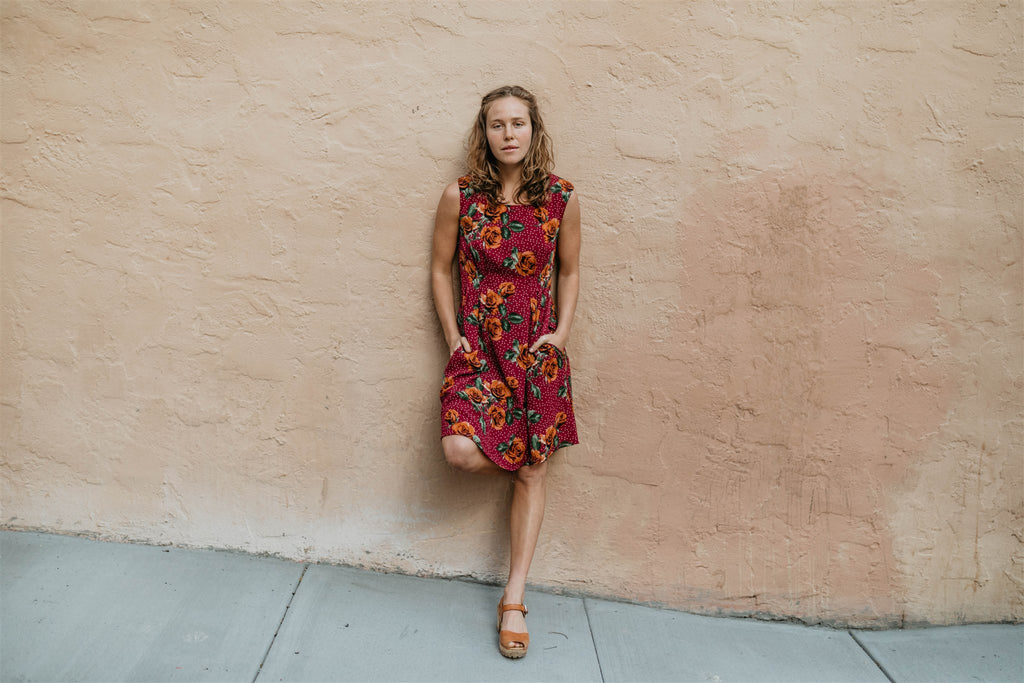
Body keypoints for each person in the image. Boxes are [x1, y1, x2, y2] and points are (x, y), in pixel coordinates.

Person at [430, 85, 581, 659]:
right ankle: (522, 466)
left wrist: (561, 334)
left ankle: (514, 597)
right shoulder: (460, 197)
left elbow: (569, 272)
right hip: (478, 351)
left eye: (519, 123)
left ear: (534, 130)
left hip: (534, 352)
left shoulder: (561, 198)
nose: (510, 133)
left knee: (532, 475)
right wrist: (452, 336)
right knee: (459, 451)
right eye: (498, 124)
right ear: (484, 133)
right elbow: (440, 270)